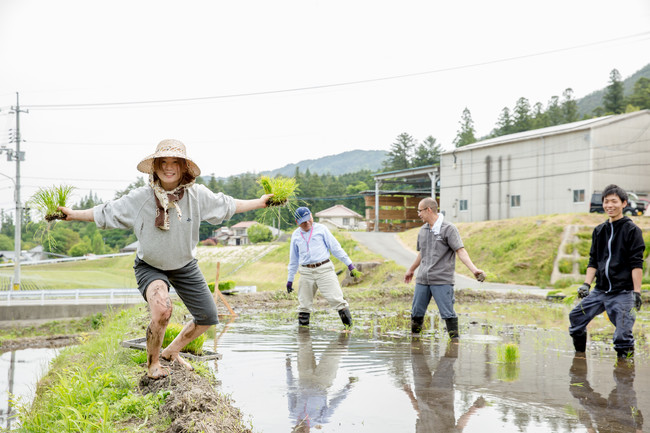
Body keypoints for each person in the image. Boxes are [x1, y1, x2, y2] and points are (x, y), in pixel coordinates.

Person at [59, 139, 272, 379]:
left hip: (184, 266)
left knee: (208, 317)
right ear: (155, 167)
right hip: (150, 266)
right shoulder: (140, 198)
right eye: (163, 162)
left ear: (183, 168)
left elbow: (228, 205)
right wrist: (73, 215)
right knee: (162, 310)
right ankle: (152, 365)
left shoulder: (196, 196)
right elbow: (106, 212)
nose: (168, 167)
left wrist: (261, 202)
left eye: (174, 162)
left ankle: (171, 353)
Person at [569, 184, 645, 359]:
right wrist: (586, 284)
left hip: (623, 292)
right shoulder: (599, 230)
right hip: (600, 290)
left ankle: (625, 375)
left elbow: (636, 264)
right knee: (576, 318)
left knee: (622, 337)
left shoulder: (632, 230)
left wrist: (637, 292)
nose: (609, 205)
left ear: (624, 203)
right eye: (606, 202)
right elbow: (593, 260)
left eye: (614, 201)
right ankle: (579, 360)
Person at [404, 197, 485, 338]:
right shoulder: (422, 230)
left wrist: (474, 270)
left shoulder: (448, 229)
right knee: (416, 312)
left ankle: (454, 343)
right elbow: (422, 253)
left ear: (429, 210)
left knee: (447, 313)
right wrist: (411, 269)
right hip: (423, 279)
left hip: (442, 279)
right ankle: (415, 344)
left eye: (420, 211)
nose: (418, 214)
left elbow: (460, 250)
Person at [286, 206, 360, 328]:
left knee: (338, 301)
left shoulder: (322, 229)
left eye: (308, 219)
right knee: (304, 305)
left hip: (324, 269)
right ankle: (304, 340)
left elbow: (336, 249)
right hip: (306, 272)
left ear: (311, 216)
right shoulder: (295, 235)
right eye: (303, 222)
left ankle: (348, 330)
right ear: (297, 223)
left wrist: (350, 265)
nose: (307, 223)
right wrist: (290, 280)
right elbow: (293, 260)